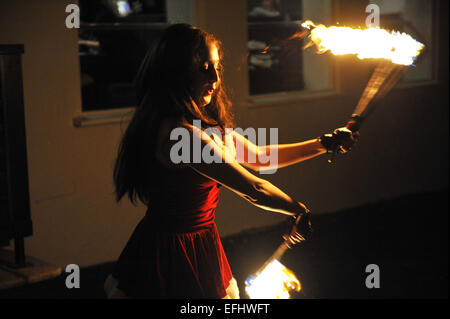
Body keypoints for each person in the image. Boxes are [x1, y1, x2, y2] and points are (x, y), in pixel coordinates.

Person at [104, 23, 359, 299]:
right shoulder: (182, 136)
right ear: (175, 72)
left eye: (216, 66)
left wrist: (324, 143)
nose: (214, 77)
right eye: (203, 67)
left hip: (198, 242)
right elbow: (255, 189)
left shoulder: (197, 128)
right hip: (172, 253)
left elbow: (260, 158)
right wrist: (298, 210)